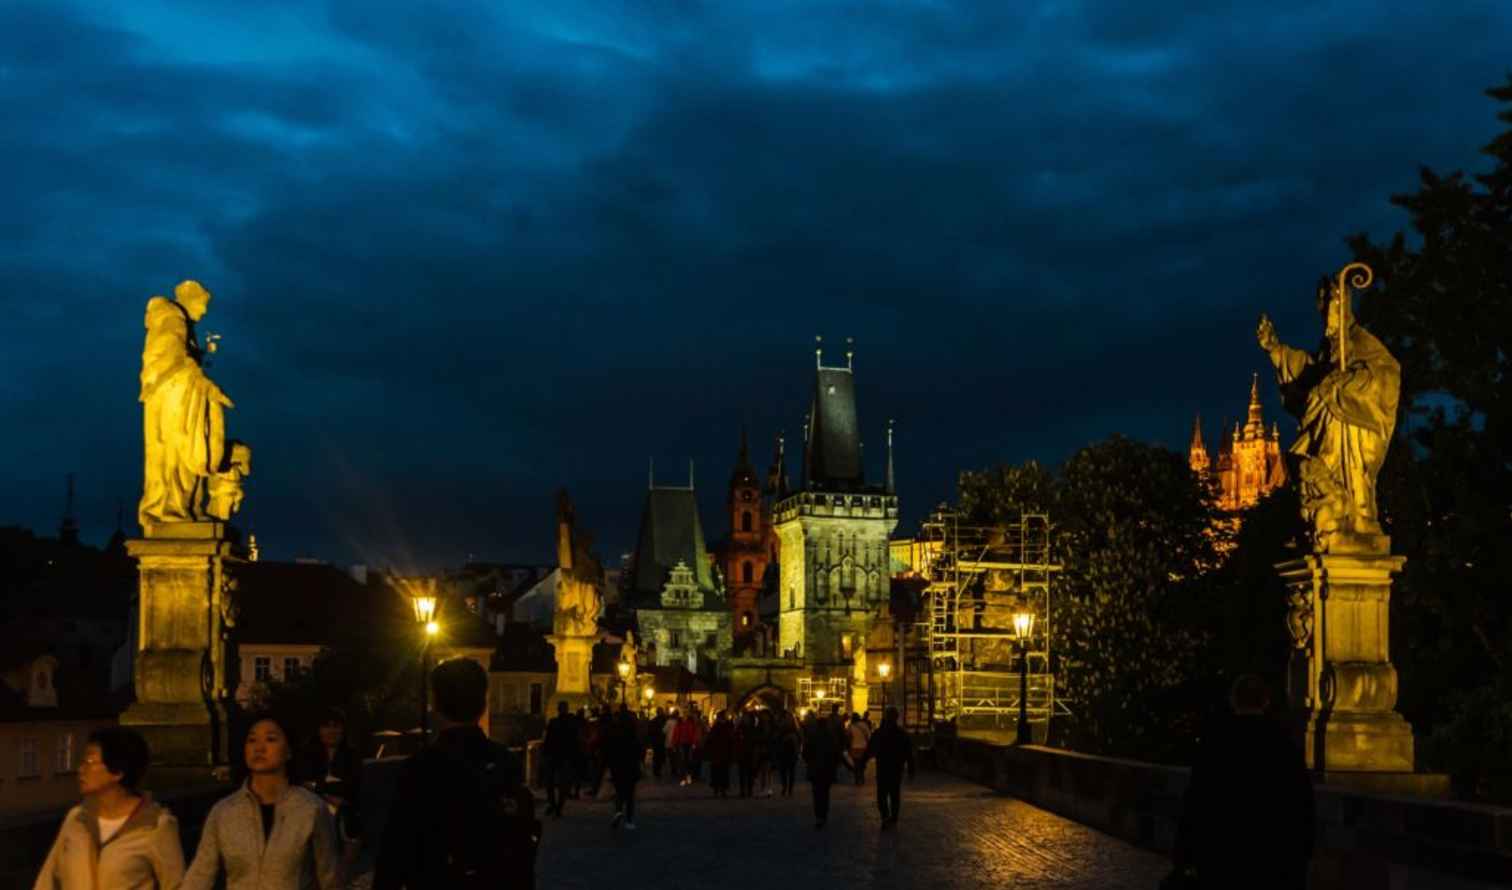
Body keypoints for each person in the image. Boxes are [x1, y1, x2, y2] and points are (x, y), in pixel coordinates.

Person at [375, 658, 536, 890]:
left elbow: (395, 849)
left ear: (436, 704)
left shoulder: (420, 767)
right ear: (484, 702)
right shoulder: (505, 763)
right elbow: (521, 846)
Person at [1169, 674, 1315, 890]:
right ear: (1265, 701)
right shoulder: (1283, 744)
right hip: (1272, 860)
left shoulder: (1216, 744)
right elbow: (1302, 803)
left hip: (1222, 857)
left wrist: (1184, 855)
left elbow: (1196, 802)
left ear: (1233, 701)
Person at [182, 713, 340, 890]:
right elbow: (200, 875)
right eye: (252, 740)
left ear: (288, 751)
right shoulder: (223, 812)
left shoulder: (311, 809)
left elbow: (329, 877)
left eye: (270, 739)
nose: (259, 748)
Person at [34, 727, 184, 890]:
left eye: (90, 762)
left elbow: (177, 885)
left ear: (117, 772)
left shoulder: (156, 826)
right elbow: (46, 882)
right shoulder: (77, 819)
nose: (81, 769)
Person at [299, 709, 363, 873]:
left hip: (345, 817)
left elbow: (351, 787)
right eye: (327, 726)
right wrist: (329, 794)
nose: (332, 731)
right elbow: (303, 784)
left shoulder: (352, 755)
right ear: (319, 729)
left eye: (336, 726)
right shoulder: (308, 754)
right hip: (314, 814)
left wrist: (318, 788)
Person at [860, 707, 915, 828]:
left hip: (883, 768)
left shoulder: (879, 733)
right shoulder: (902, 734)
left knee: (882, 795)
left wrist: (862, 762)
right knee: (894, 794)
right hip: (896, 768)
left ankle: (885, 816)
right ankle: (893, 817)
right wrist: (911, 768)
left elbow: (870, 749)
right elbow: (909, 753)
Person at [605, 706, 645, 829]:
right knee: (630, 794)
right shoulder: (632, 732)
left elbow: (609, 749)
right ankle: (629, 820)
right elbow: (639, 749)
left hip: (617, 765)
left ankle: (618, 811)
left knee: (619, 791)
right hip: (630, 765)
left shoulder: (614, 731)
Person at [802, 709, 842, 828]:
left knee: (816, 793)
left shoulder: (812, 736)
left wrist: (809, 762)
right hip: (827, 769)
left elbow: (805, 753)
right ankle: (823, 815)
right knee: (825, 793)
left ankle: (818, 815)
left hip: (815, 769)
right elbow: (836, 753)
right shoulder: (831, 737)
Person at [542, 701, 577, 817]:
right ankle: (557, 807)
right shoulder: (570, 722)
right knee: (561, 784)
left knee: (552, 783)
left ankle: (555, 806)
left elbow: (547, 740)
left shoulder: (554, 722)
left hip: (556, 756)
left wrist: (545, 753)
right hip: (562, 756)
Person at [705, 711, 735, 798]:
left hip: (722, 753)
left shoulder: (724, 726)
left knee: (722, 772)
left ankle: (721, 790)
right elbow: (710, 740)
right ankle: (718, 790)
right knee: (718, 772)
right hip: (718, 753)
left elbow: (730, 740)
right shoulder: (718, 726)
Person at [774, 709, 801, 798]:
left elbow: (799, 739)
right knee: (783, 771)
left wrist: (797, 749)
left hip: (792, 751)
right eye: (785, 717)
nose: (787, 719)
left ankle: (789, 789)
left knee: (791, 771)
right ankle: (785, 787)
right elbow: (777, 738)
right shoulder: (780, 727)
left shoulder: (795, 728)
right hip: (783, 750)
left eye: (788, 717)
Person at [672, 708, 697, 786]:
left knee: (689, 760)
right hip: (681, 743)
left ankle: (688, 776)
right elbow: (676, 733)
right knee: (683, 760)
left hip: (689, 743)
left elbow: (693, 733)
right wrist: (674, 743)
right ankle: (684, 777)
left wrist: (694, 743)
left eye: (686, 713)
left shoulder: (690, 722)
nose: (685, 714)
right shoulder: (679, 723)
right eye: (684, 713)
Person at [847, 712, 873, 785]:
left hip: (854, 747)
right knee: (862, 764)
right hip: (864, 748)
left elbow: (848, 737)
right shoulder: (864, 725)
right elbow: (869, 736)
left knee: (856, 764)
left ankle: (857, 778)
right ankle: (861, 777)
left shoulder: (850, 726)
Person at [648, 707, 668, 779]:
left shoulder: (654, 721)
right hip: (660, 741)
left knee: (657, 756)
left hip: (657, 741)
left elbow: (650, 732)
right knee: (659, 756)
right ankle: (658, 771)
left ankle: (656, 771)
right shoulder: (664, 720)